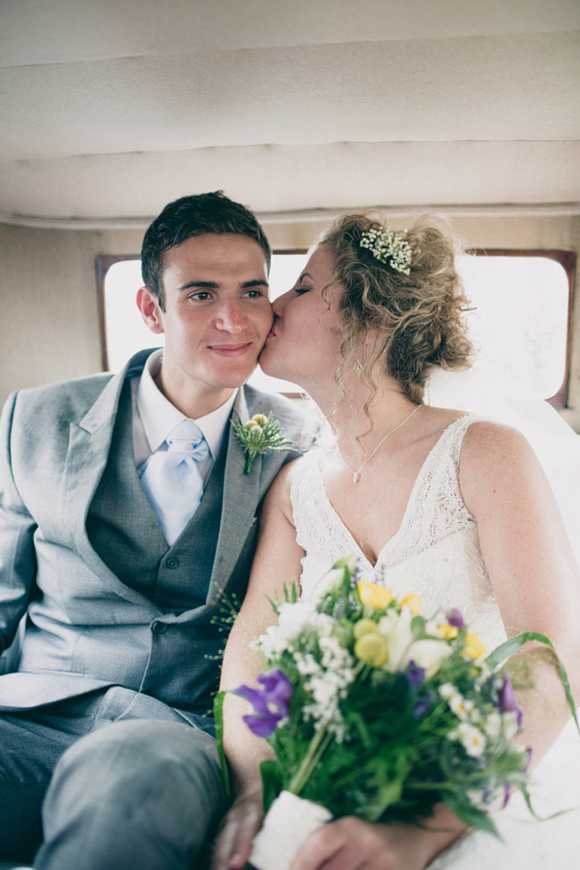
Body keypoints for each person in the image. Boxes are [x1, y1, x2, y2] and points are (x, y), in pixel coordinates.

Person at [214, 214, 580, 870]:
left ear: (370, 316)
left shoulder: (485, 454)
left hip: (481, 786)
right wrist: (256, 792)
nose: (270, 306)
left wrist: (422, 833)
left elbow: (547, 665)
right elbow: (249, 655)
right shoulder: (293, 490)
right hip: (342, 779)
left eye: (300, 288)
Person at [0, 191, 310, 868]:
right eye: (201, 294)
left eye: (252, 291)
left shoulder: (303, 444)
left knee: (122, 799)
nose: (234, 319)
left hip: (178, 736)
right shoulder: (35, 419)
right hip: (29, 712)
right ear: (151, 309)